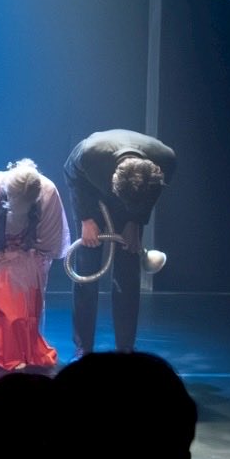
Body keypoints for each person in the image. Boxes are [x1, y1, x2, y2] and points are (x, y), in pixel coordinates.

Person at [64, 129, 176, 355]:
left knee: (128, 270)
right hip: (91, 196)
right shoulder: (90, 154)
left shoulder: (166, 160)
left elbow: (153, 194)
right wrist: (86, 218)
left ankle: (125, 348)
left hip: (135, 204)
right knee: (87, 268)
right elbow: (71, 174)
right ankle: (83, 347)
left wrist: (136, 220)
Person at [0, 159, 68, 371]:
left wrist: (32, 253)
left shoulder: (47, 193)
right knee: (1, 306)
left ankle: (23, 348)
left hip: (27, 255)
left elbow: (49, 236)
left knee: (26, 308)